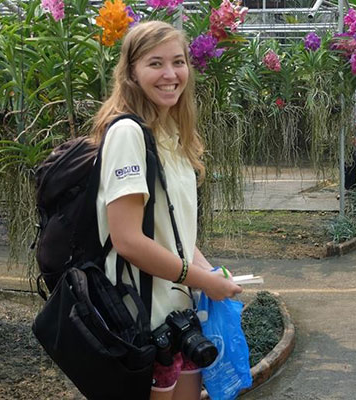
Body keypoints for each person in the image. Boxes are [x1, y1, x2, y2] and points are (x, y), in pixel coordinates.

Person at [90, 21, 242, 399]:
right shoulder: (128, 134)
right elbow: (126, 240)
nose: (171, 74)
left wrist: (206, 272)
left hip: (177, 314)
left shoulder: (170, 133)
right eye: (155, 63)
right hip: (143, 317)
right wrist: (203, 280)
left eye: (179, 62)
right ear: (131, 72)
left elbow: (172, 232)